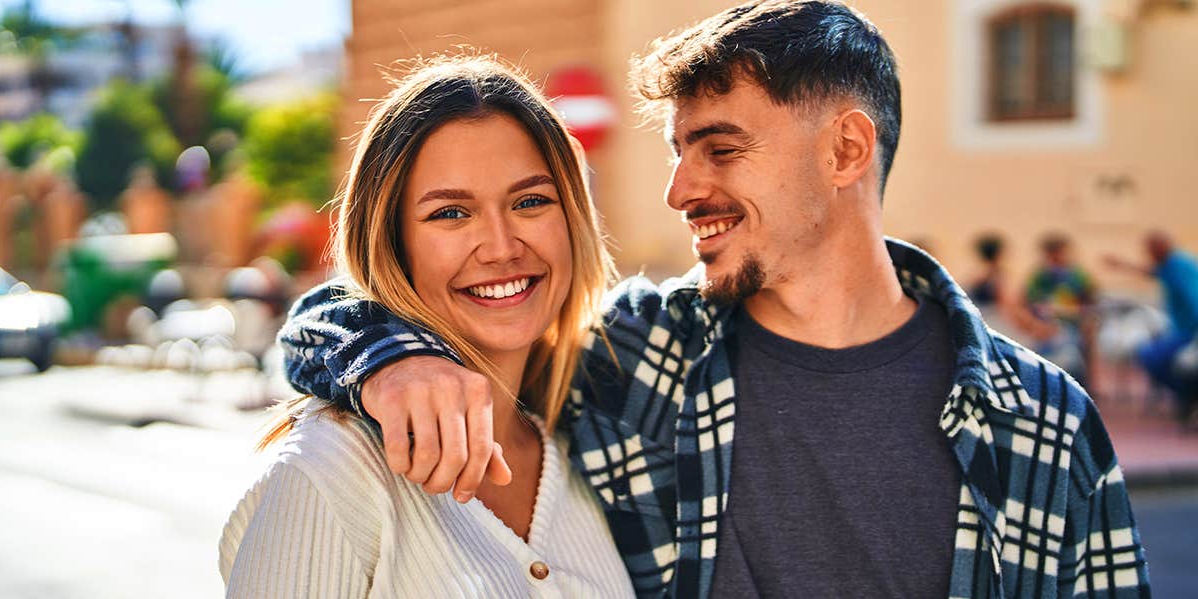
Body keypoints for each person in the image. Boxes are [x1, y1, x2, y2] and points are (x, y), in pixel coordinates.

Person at [279, 2, 1151, 597]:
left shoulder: (1043, 422)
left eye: (720, 149)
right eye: (676, 151)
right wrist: (388, 360)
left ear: (846, 150)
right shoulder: (628, 357)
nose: (680, 189)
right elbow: (350, 307)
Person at [219, 55, 636, 598]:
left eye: (530, 201)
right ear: (394, 244)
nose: (503, 247)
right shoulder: (331, 471)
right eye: (450, 213)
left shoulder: (592, 448)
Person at [1106, 230, 1198, 421]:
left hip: (1189, 331)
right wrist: (1123, 265)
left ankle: (1187, 395)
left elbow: (1193, 298)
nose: (1149, 255)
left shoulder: (1179, 267)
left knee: (1151, 356)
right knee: (1152, 355)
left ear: (1160, 248)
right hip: (1181, 329)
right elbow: (1152, 272)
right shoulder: (1170, 264)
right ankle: (1185, 396)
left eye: (1150, 251)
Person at [1024, 232, 1099, 384]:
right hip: (1047, 328)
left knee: (1076, 361)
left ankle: (1082, 388)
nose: (1056, 258)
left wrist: (1087, 321)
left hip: (1074, 325)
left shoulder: (1078, 275)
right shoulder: (1040, 276)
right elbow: (1029, 302)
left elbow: (1091, 303)